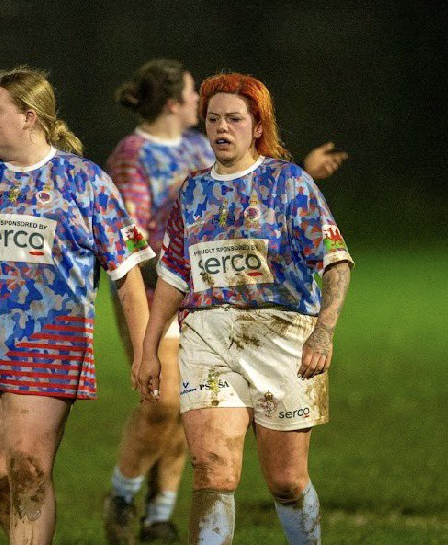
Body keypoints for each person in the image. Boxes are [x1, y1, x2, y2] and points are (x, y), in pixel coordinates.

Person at [102, 60, 348, 544]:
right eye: (213, 117)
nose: (219, 127)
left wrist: (324, 330)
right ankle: (144, 503)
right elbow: (170, 275)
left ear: (258, 126)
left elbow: (335, 259)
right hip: (206, 338)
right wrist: (148, 347)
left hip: (282, 340)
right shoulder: (190, 189)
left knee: (285, 481)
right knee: (212, 472)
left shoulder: (289, 183)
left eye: (233, 118)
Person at [0, 65, 154, 545]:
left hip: (51, 347)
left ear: (29, 116)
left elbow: (128, 277)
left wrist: (146, 352)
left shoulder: (84, 181)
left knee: (28, 467)